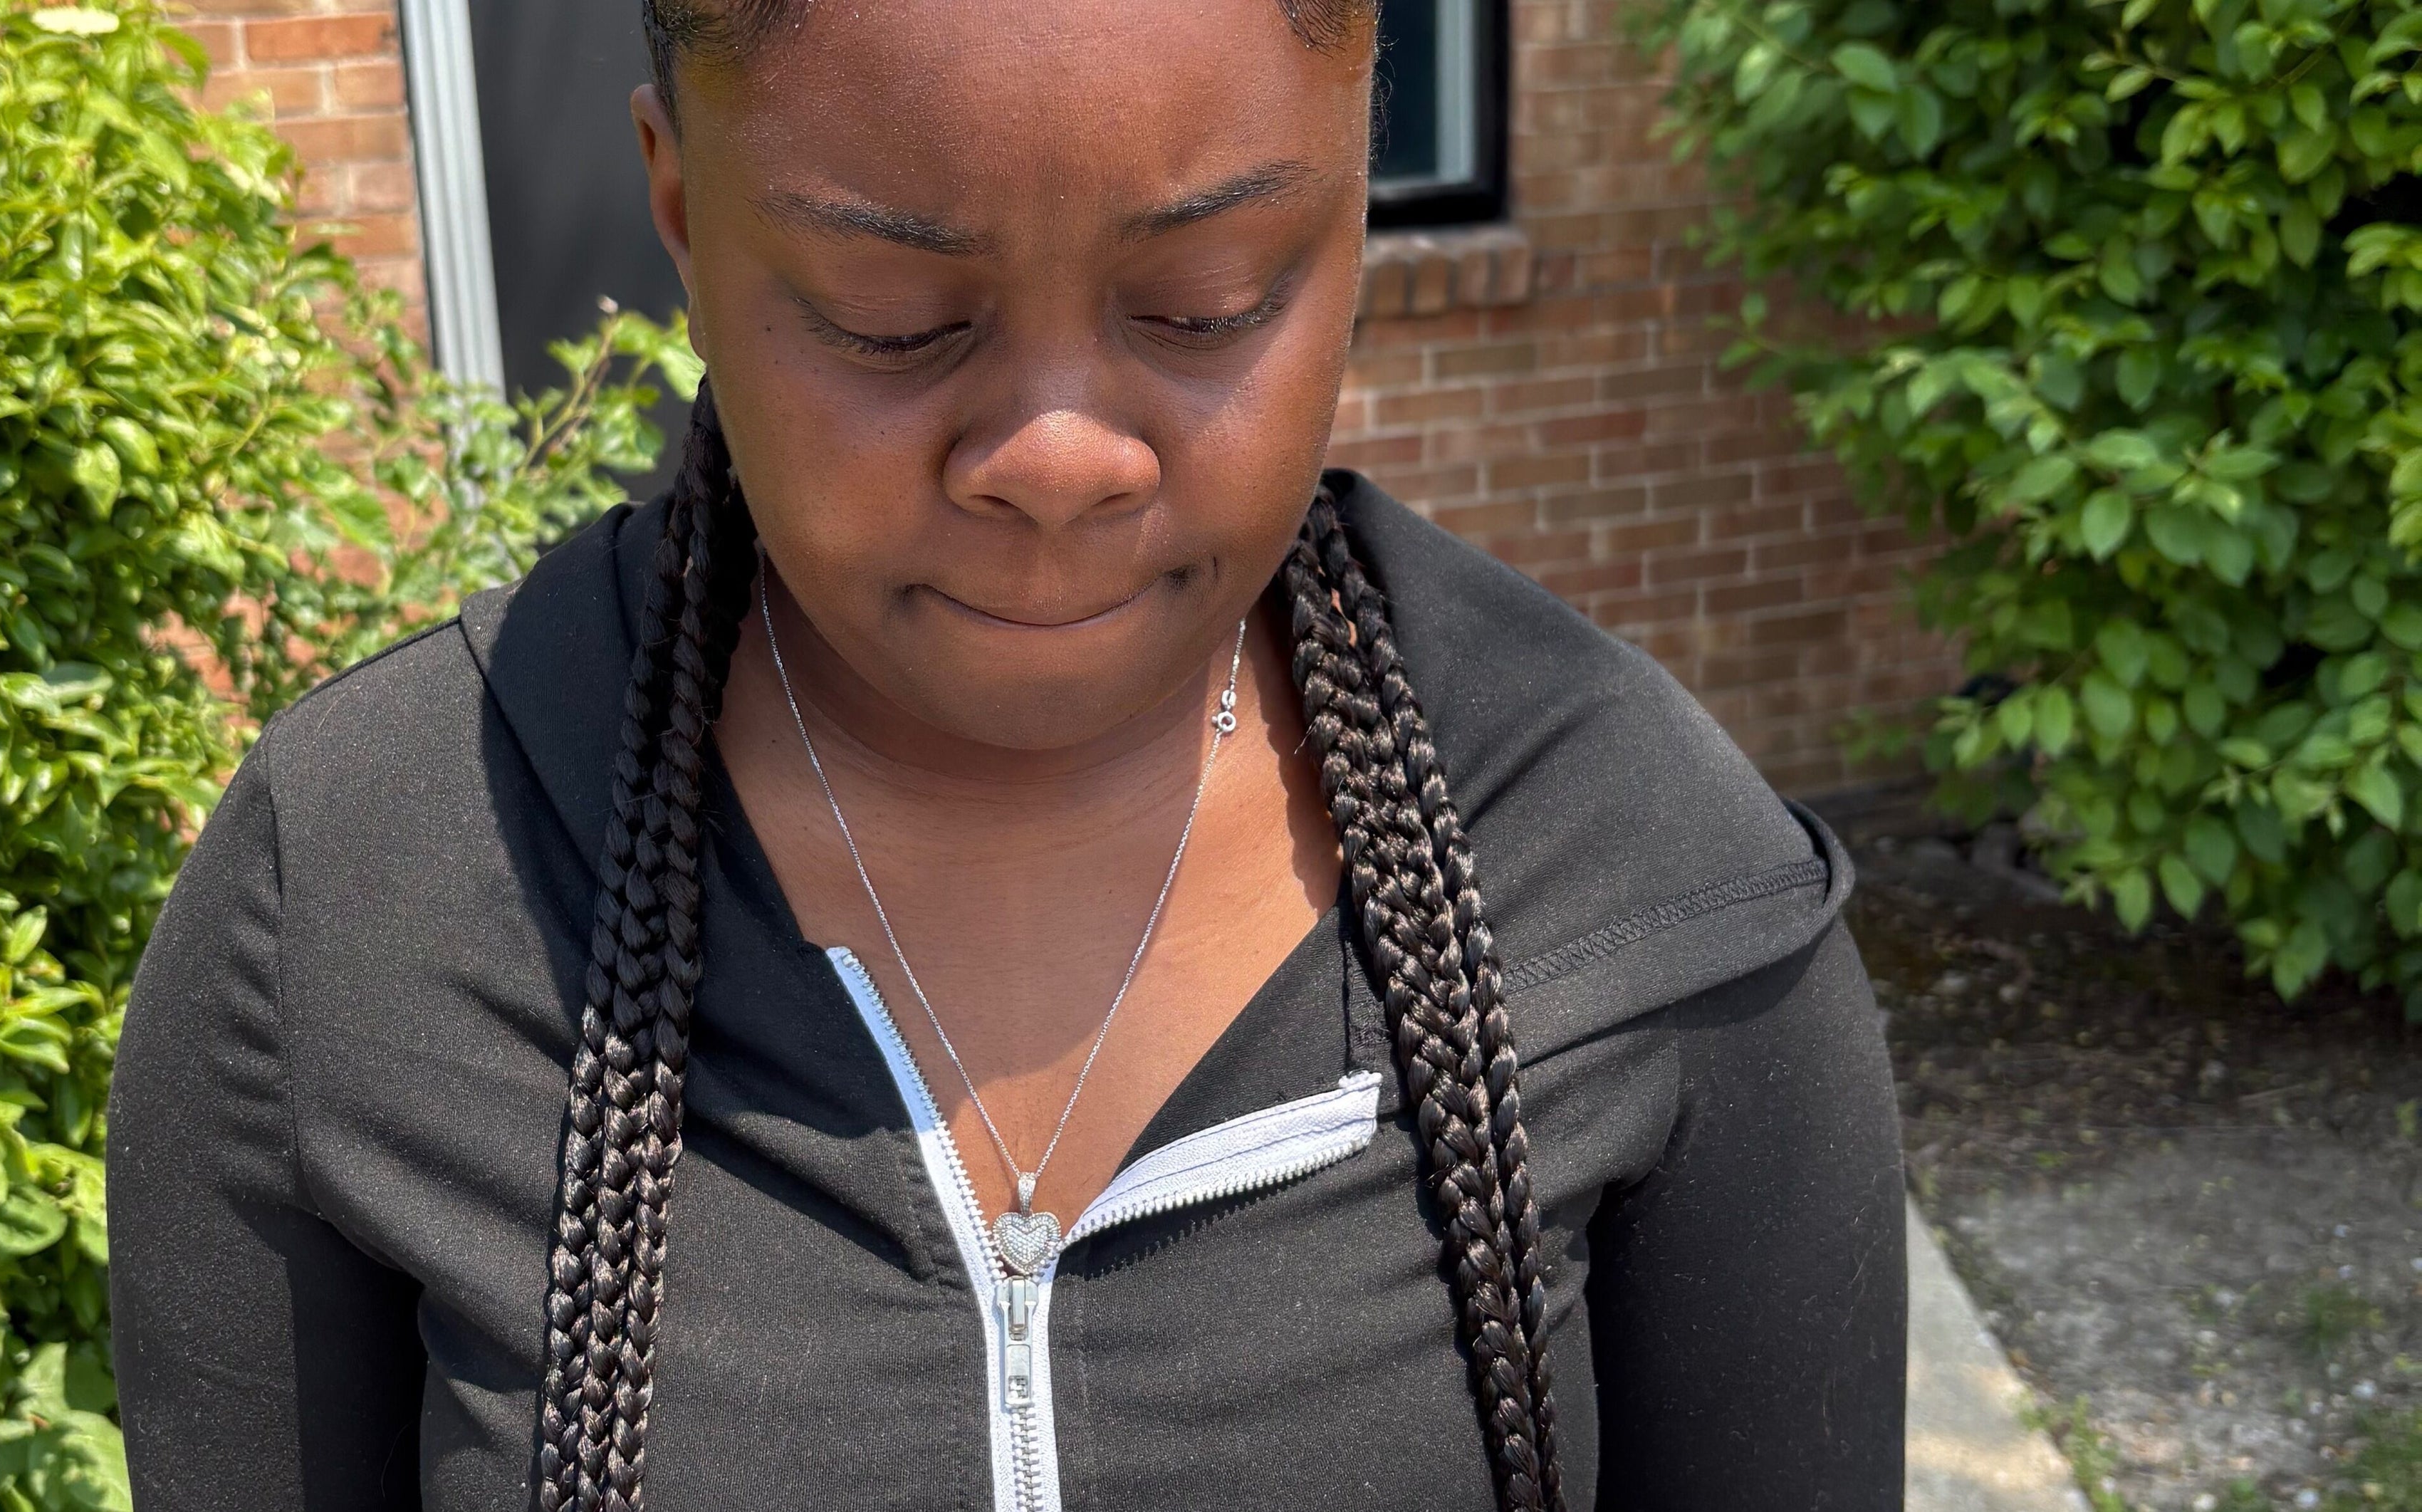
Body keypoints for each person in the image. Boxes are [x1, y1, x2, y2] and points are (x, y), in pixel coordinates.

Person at [105, 1, 1908, 1507]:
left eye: (1205, 300)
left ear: (1356, 196)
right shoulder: (364, 894)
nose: (1059, 456)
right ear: (677, 200)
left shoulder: (1645, 887)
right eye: (892, 319)